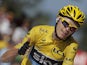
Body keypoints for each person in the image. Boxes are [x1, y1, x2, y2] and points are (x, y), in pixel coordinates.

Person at [1, 5, 85, 65]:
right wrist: (18, 51)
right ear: (58, 19)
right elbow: (3, 59)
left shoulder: (72, 45)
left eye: (72, 28)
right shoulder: (38, 31)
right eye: (65, 23)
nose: (67, 29)